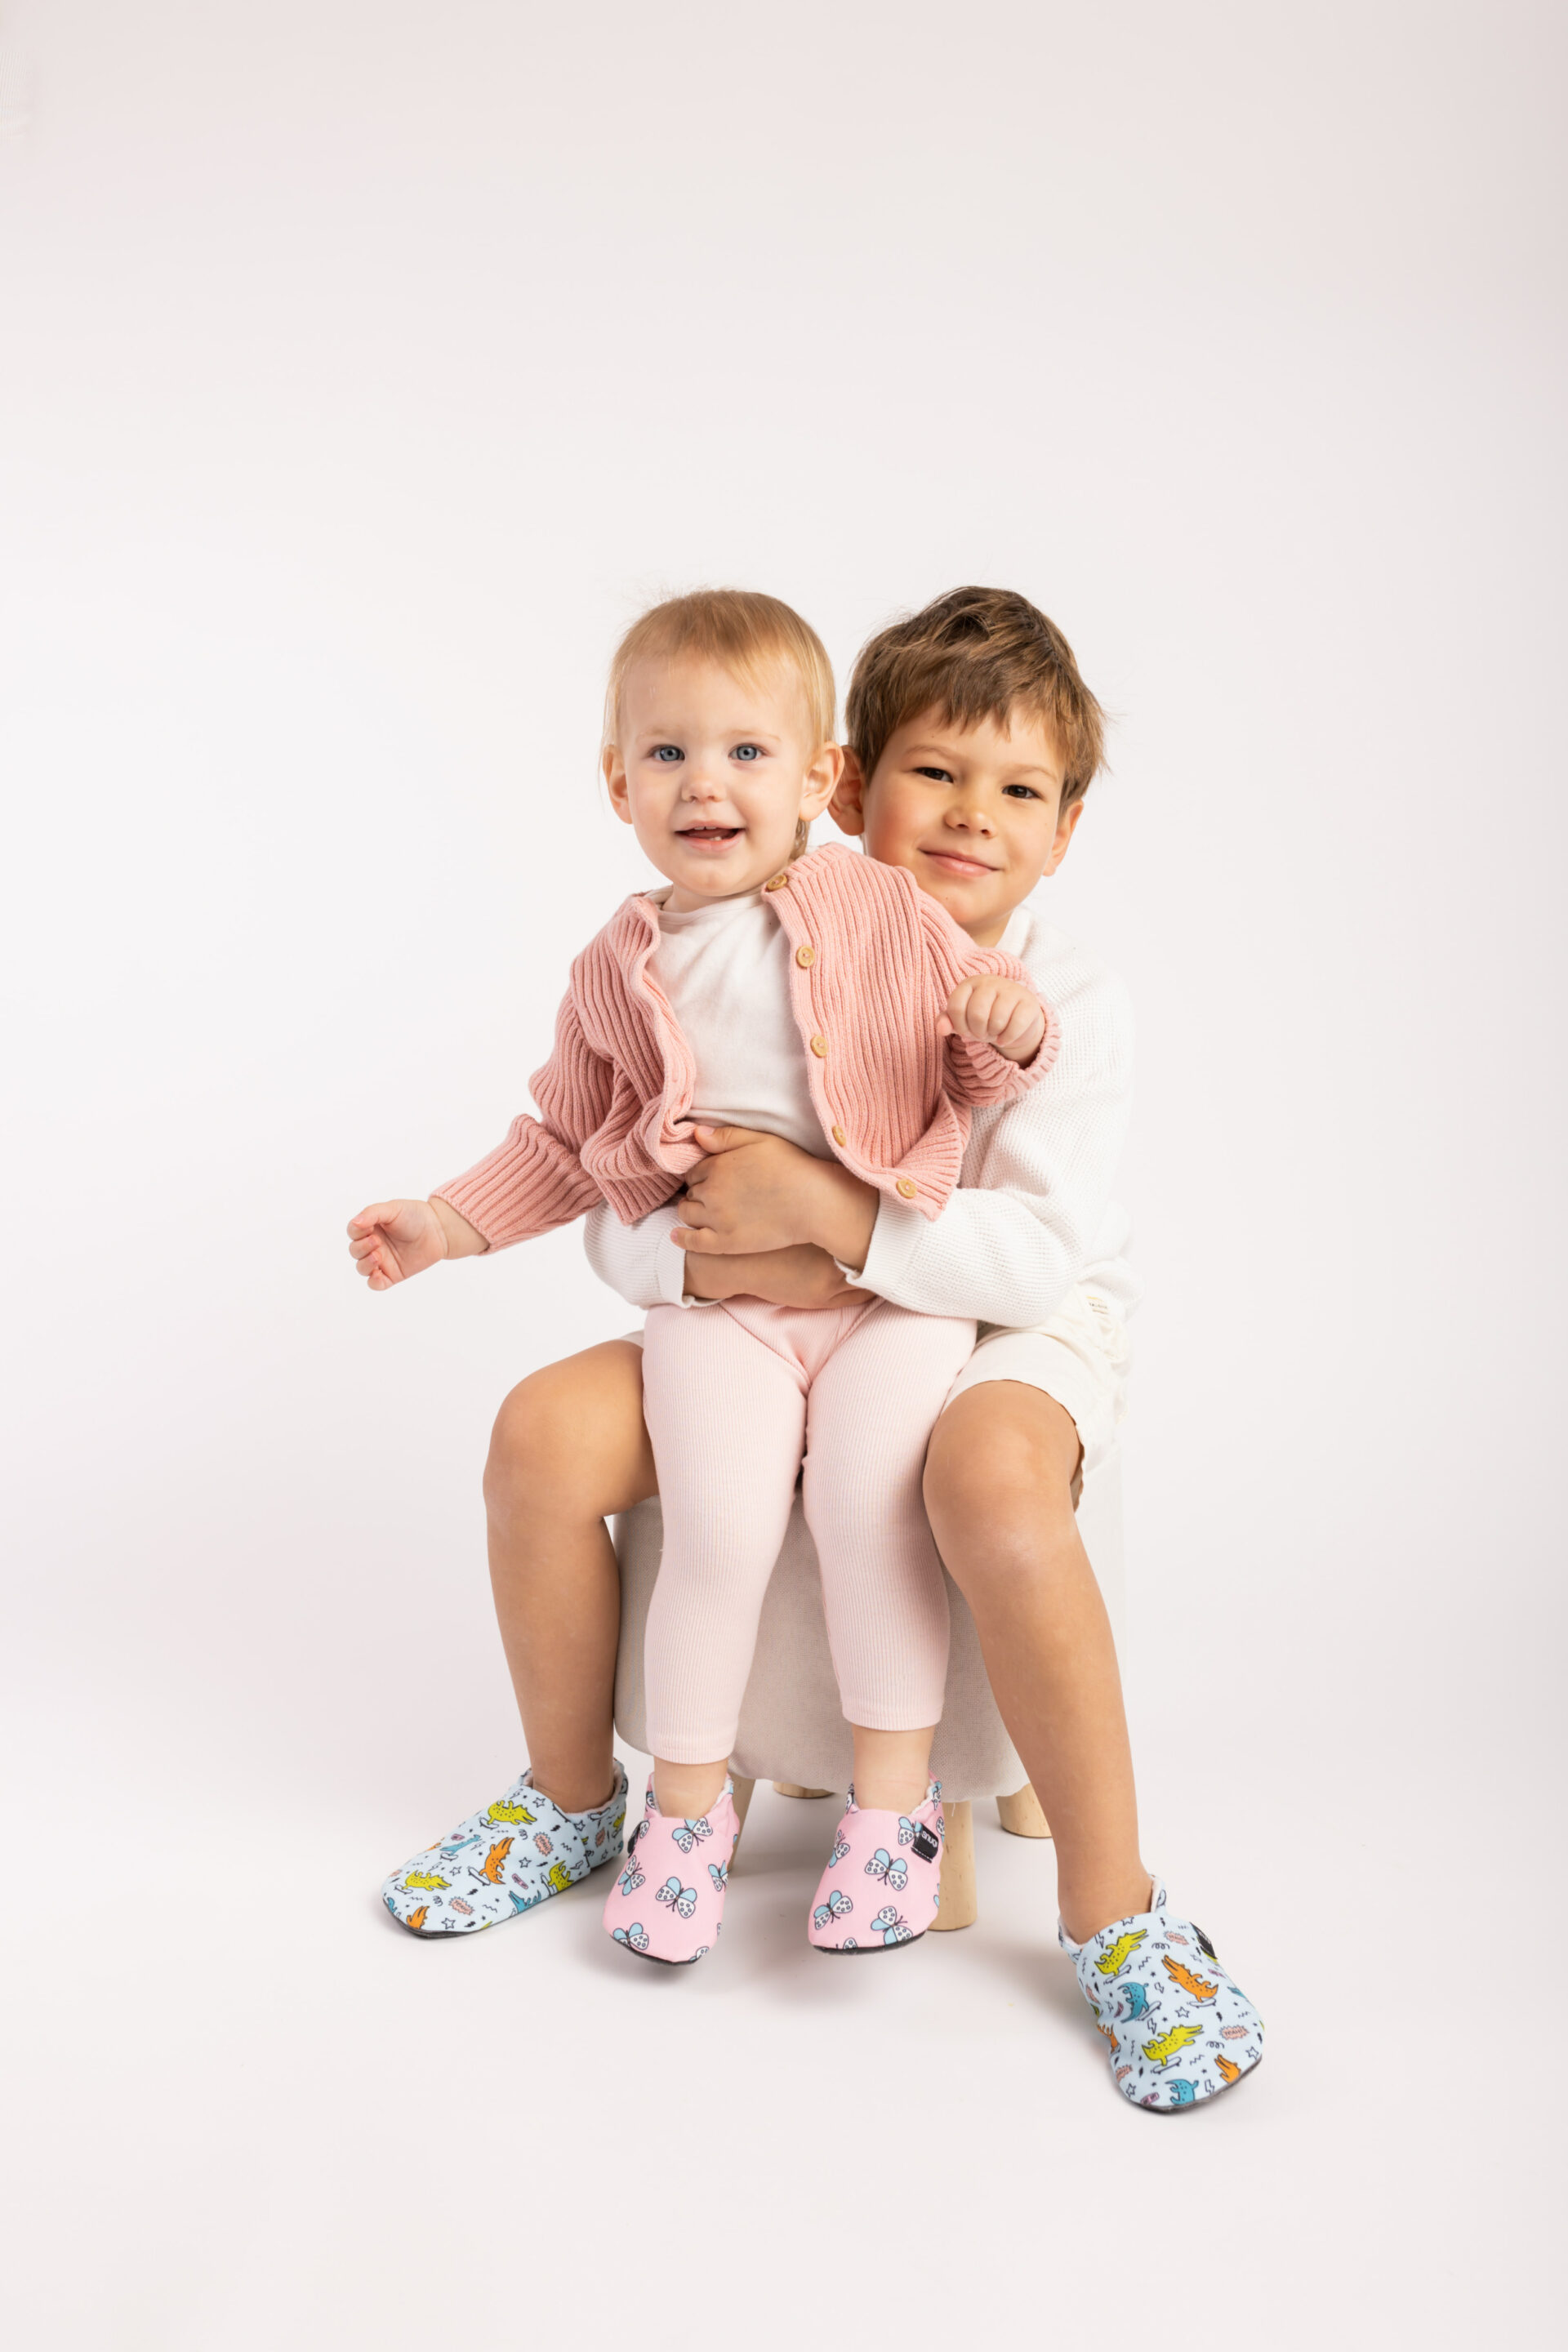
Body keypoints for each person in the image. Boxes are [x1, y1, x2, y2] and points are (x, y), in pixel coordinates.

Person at [361, 586, 1264, 2107]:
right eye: (935, 773)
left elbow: (1033, 1254)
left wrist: (827, 1225)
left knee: (983, 1480)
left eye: (1019, 792)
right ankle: (577, 1801)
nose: (970, 815)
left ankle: (1119, 1912)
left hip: (1019, 1314)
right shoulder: (754, 935)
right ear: (847, 788)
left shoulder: (1065, 1000)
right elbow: (624, 1180)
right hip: (763, 1316)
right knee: (542, 1432)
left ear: (1065, 829)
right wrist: (694, 1251)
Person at [350, 589, 1057, 1967]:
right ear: (618, 784)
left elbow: (967, 1073)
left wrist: (1008, 1032)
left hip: (887, 1304)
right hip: (723, 1311)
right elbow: (563, 1139)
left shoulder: (880, 905)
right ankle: (679, 1826)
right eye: (667, 753)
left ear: (817, 780)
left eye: (746, 752)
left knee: (868, 1515)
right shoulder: (618, 966)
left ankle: (892, 1819)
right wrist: (449, 1221)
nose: (704, 784)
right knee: (717, 1534)